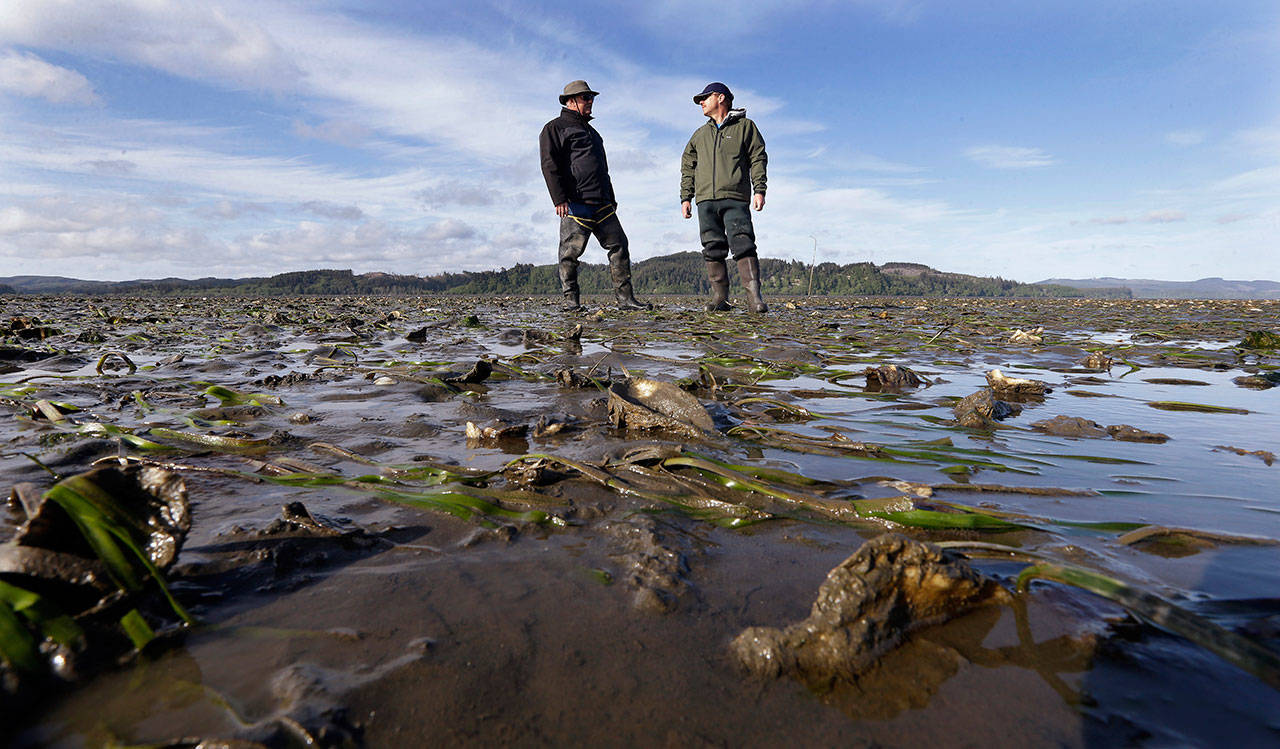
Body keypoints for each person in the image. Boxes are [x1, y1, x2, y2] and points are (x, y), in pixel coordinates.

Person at [539, 80, 648, 311]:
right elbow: (549, 165)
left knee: (620, 246)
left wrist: (611, 197)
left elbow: (603, 169)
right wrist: (559, 199)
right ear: (570, 101)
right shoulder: (554, 128)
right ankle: (571, 303)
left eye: (591, 98)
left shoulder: (593, 133)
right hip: (575, 204)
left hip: (603, 203)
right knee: (570, 255)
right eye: (585, 98)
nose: (590, 102)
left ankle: (625, 300)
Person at [680, 82, 769, 313]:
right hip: (706, 201)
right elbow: (687, 166)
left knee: (743, 244)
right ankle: (720, 298)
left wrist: (759, 189)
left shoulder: (745, 127)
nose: (701, 102)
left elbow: (758, 158)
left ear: (720, 98)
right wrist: (686, 197)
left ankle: (754, 298)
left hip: (735, 197)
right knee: (712, 247)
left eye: (705, 98)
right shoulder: (699, 135)